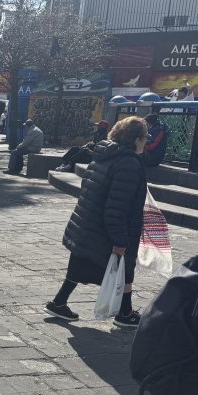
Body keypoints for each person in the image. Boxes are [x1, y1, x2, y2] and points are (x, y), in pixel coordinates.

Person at [45, 116, 150, 328]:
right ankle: (125, 313)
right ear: (136, 139)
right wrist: (120, 240)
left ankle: (59, 302)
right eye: (145, 137)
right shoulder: (128, 163)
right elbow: (118, 206)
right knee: (124, 267)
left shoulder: (103, 155)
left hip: (88, 223)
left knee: (80, 263)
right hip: (107, 227)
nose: (146, 142)